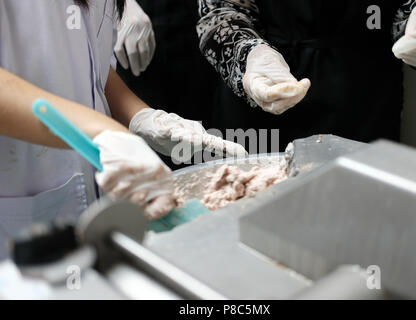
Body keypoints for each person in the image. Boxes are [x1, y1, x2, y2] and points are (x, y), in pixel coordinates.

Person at [0, 0, 245, 259]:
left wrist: (140, 116)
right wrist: (102, 131)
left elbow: (87, 66)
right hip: (20, 203)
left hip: (94, 200)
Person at [196, 0, 416, 151]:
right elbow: (220, 11)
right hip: (259, 85)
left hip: (363, 96)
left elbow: (404, 10)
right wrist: (249, 55)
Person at [115, 0, 221, 168]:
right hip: (140, 32)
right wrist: (119, 4)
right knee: (149, 152)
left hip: (199, 26)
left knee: (204, 145)